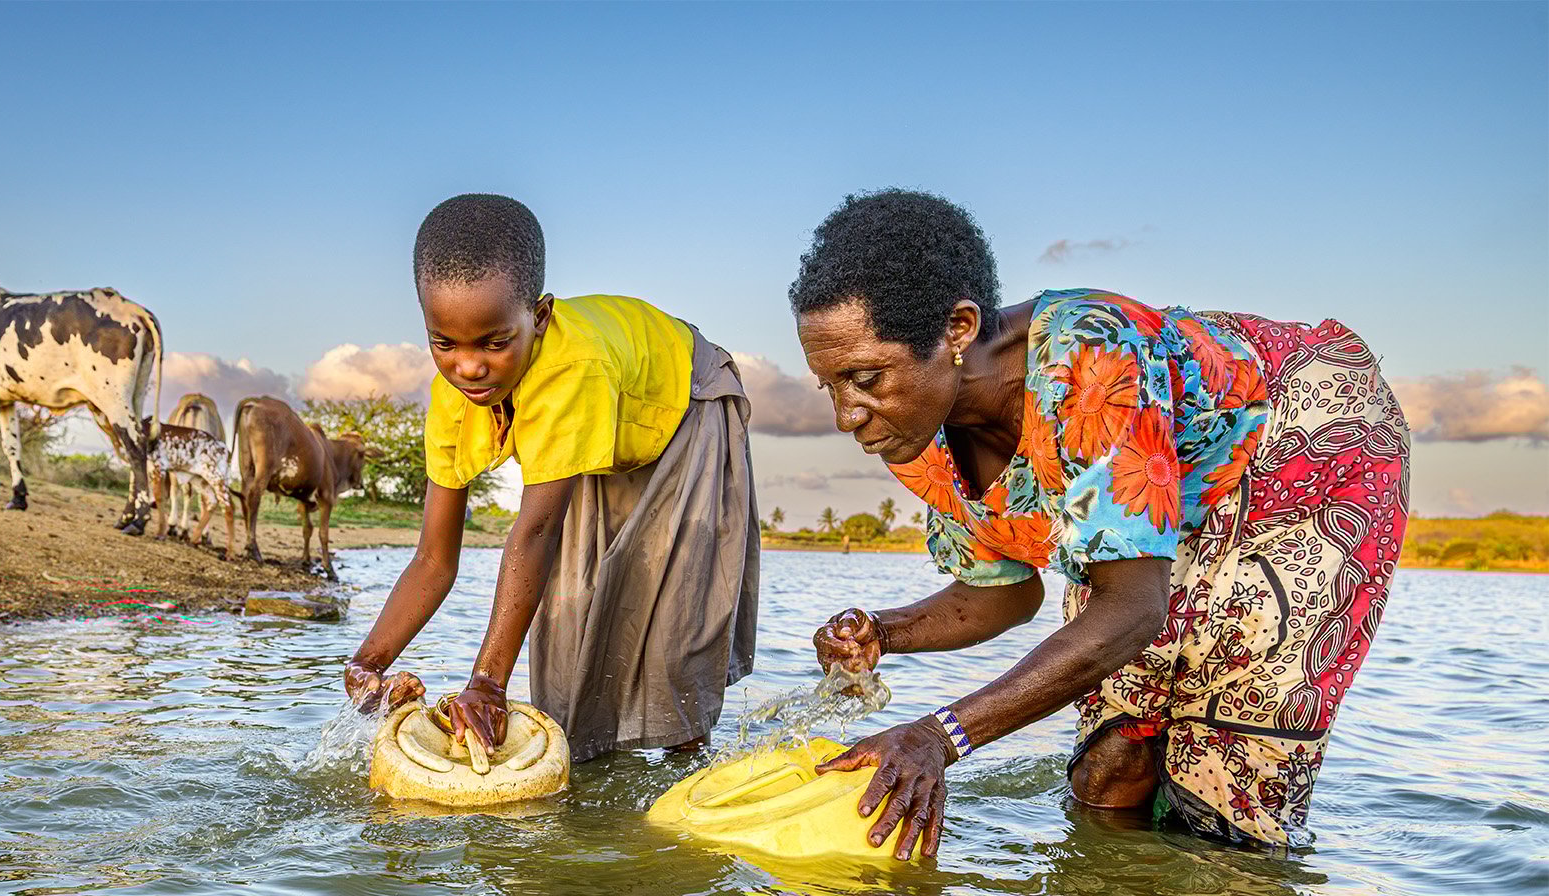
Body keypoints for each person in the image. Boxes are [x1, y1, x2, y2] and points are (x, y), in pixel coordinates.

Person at [794, 190, 1408, 858]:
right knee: (1109, 767)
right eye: (830, 385)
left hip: (1303, 460)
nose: (846, 413)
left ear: (958, 331)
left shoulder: (1089, 360)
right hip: (1166, 510)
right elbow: (1003, 589)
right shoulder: (913, 424)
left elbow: (1132, 609)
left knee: (1221, 800)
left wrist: (940, 737)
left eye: (864, 377)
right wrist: (886, 631)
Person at [344, 194, 759, 761]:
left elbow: (533, 534)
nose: (469, 367)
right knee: (568, 649)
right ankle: (591, 802)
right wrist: (369, 663)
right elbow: (433, 560)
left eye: (494, 343)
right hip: (604, 439)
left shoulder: (571, 369)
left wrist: (487, 684)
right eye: (445, 343)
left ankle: (685, 778)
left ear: (538, 318)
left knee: (672, 642)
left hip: (686, 407)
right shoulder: (453, 398)